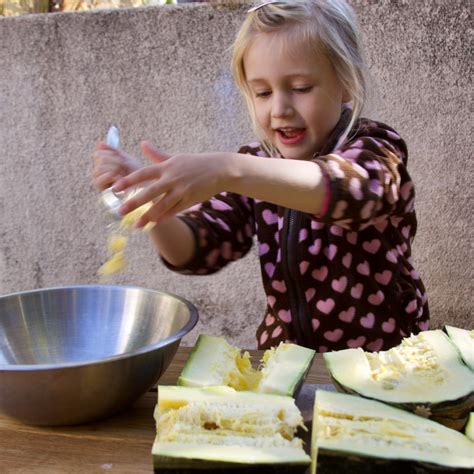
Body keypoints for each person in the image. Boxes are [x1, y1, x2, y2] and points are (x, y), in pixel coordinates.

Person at [92, 0, 429, 352]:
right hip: (286, 360)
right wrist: (151, 202)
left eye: (300, 87)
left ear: (346, 83)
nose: (279, 109)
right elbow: (198, 250)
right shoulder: (252, 165)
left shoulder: (376, 146)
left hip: (385, 364)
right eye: (263, 92)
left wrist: (229, 171)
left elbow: (355, 190)